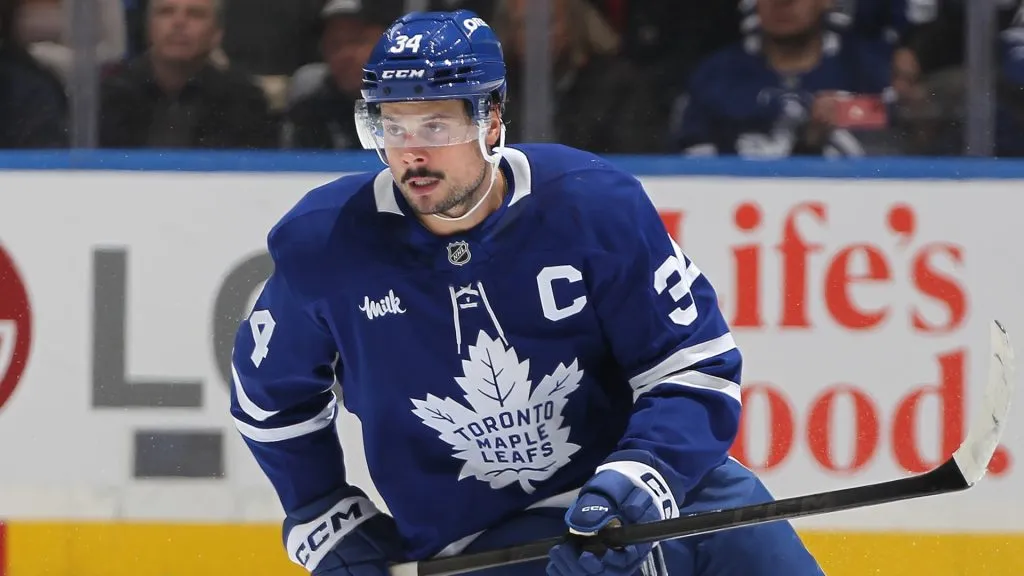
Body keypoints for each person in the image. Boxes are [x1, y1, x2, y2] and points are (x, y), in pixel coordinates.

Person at [229, 9, 825, 576]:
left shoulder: (590, 205)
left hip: (669, 498)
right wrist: (322, 513)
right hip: (482, 540)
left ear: (490, 118)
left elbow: (693, 369)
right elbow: (269, 399)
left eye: (436, 125)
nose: (411, 152)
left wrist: (639, 478)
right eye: (392, 124)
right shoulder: (327, 243)